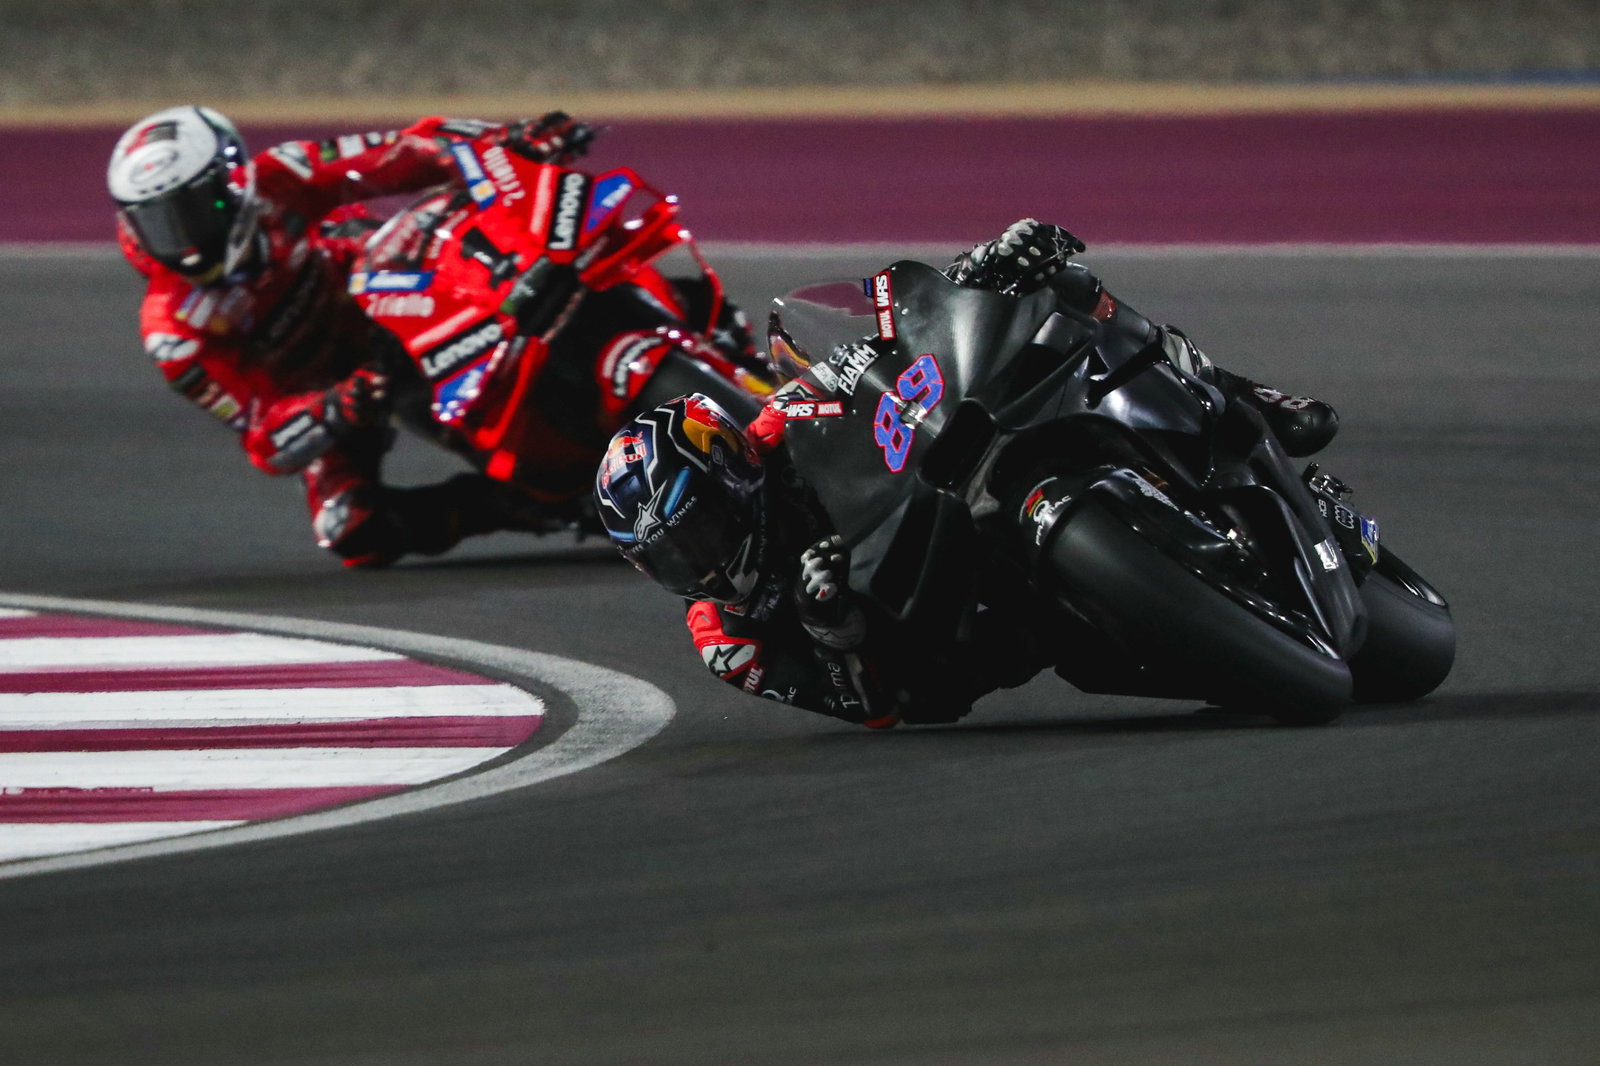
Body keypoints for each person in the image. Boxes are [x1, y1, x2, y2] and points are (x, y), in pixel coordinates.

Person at [593, 220, 1340, 728]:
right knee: (1051, 666)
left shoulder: (772, 429)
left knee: (1064, 286)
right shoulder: (726, 640)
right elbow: (871, 710)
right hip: (943, 635)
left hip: (935, 497)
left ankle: (1243, 394)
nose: (700, 564)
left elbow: (871, 355)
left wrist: (974, 274)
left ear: (730, 472)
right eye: (671, 560)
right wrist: (832, 627)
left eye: (697, 531)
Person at [109, 105, 600, 566]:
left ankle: (602, 288)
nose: (185, 243)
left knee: (478, 226)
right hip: (338, 389)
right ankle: (531, 504)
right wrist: (336, 406)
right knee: (350, 530)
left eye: (192, 212)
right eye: (158, 223)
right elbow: (265, 438)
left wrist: (507, 140)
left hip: (387, 286)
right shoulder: (173, 332)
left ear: (231, 183)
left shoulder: (282, 173)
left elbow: (401, 152)